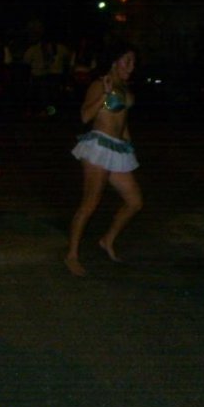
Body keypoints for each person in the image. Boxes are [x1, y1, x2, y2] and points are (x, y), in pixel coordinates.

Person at [64, 40, 143, 275]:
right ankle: (71, 255)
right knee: (90, 202)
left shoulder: (125, 87)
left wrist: (129, 146)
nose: (131, 66)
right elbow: (85, 116)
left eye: (133, 62)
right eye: (127, 61)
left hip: (117, 148)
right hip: (98, 146)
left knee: (135, 201)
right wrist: (105, 95)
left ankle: (107, 240)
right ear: (114, 61)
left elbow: (123, 122)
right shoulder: (100, 84)